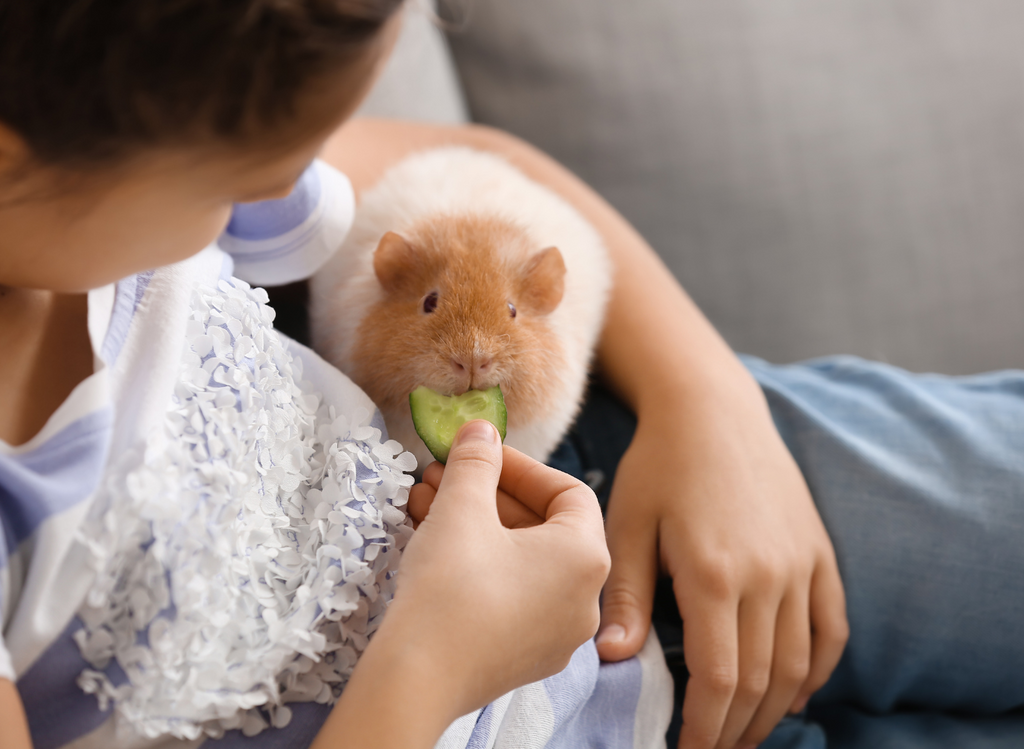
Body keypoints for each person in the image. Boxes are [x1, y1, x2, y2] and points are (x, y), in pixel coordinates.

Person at [0, 1, 852, 748]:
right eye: (233, 186)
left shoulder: (160, 98)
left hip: (638, 452)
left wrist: (707, 405)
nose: (288, 199)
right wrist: (438, 659)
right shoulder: (124, 100)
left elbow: (474, 164)